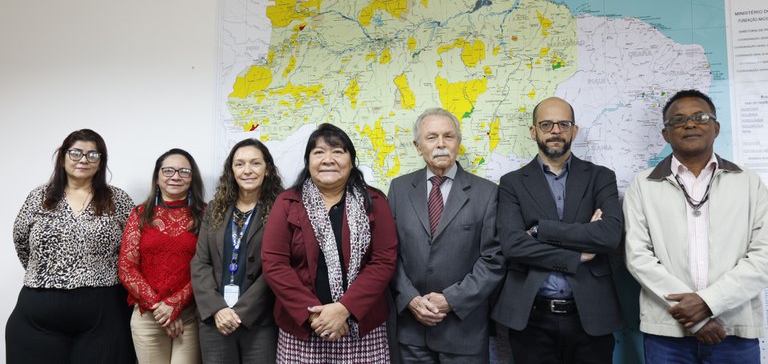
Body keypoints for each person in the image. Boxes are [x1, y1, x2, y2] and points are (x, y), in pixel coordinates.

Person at [624, 89, 768, 363]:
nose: (689, 124)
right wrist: (697, 319)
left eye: (700, 117)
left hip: (733, 331)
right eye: (678, 120)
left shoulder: (749, 182)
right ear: (666, 134)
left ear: (716, 127)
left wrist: (709, 302)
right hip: (667, 334)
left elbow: (764, 256)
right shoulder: (643, 185)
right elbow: (637, 257)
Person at [491, 97, 625, 364]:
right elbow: (513, 245)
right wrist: (577, 255)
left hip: (591, 315)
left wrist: (540, 230)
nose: (555, 131)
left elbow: (609, 236)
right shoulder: (512, 183)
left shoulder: (601, 177)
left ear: (574, 130)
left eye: (563, 124)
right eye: (546, 124)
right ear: (534, 131)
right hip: (531, 319)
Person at [262, 123, 397, 363]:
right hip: (303, 329)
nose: (328, 159)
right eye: (319, 152)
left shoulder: (375, 201)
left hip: (361, 329)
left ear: (351, 161)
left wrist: (345, 309)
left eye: (337, 151)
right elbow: (274, 263)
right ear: (308, 161)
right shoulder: (287, 202)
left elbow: (383, 261)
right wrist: (316, 316)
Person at [6, 129, 136, 363]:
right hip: (39, 316)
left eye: (92, 155)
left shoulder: (118, 199)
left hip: (103, 315)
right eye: (76, 153)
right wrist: (49, 271)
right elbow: (21, 241)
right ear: (63, 156)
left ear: (101, 161)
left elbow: (133, 249)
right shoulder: (38, 197)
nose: (83, 159)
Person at [388, 108, 504, 363]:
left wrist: (451, 300)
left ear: (458, 143)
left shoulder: (487, 193)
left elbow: (493, 260)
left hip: (464, 331)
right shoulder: (399, 189)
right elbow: (389, 255)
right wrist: (410, 299)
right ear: (417, 146)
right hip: (412, 332)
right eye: (431, 137)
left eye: (448, 136)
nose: (441, 144)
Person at [190, 138, 283, 362]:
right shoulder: (215, 208)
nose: (247, 170)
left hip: (260, 321)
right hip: (216, 320)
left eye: (255, 163)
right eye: (239, 164)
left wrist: (240, 312)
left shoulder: (281, 208)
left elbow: (277, 267)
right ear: (231, 171)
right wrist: (218, 309)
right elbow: (201, 262)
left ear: (267, 169)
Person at [118, 148, 206, 363]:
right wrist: (162, 309)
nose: (175, 176)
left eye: (184, 171)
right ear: (157, 177)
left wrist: (175, 305)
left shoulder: (207, 214)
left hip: (190, 315)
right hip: (148, 316)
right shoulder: (140, 214)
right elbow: (127, 268)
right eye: (168, 170)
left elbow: (209, 266)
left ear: (192, 178)